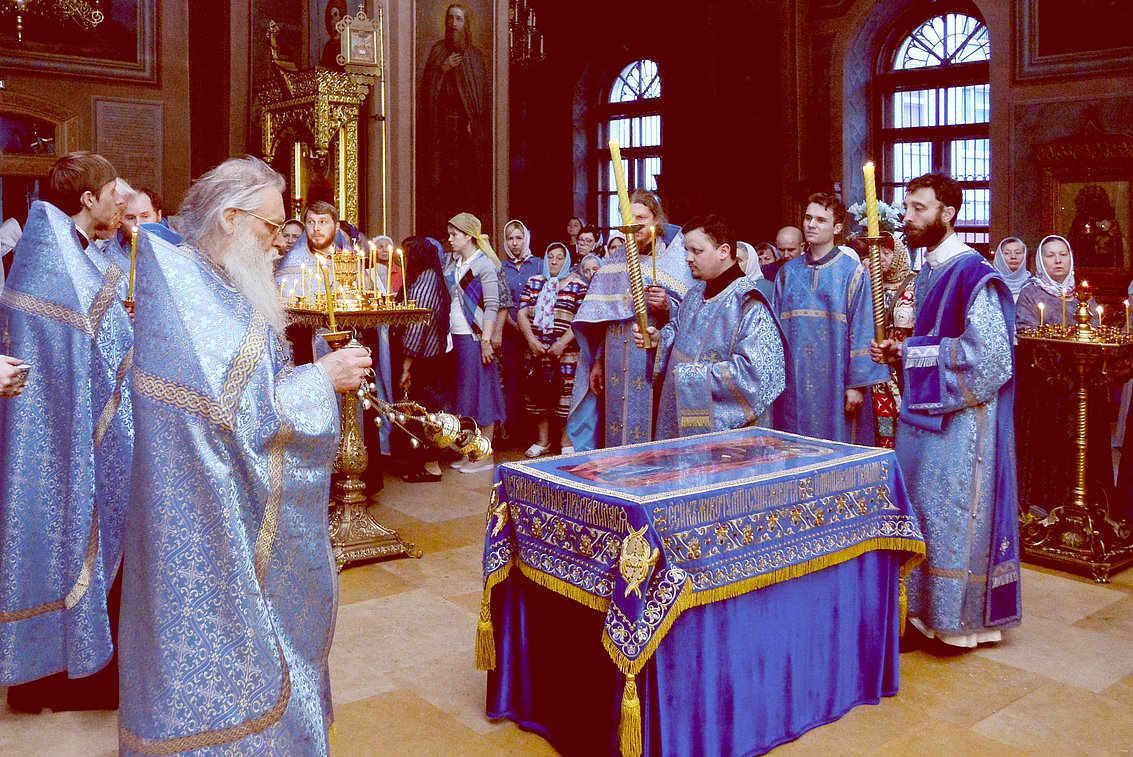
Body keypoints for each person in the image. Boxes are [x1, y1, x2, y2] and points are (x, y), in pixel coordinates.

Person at [119, 156, 370, 753]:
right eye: (271, 226)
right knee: (224, 655)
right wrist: (322, 379)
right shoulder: (191, 293)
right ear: (231, 219)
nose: (281, 240)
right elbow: (242, 422)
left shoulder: (214, 281)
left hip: (211, 510)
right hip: (208, 524)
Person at [0, 152, 133, 712]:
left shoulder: (60, 246)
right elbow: (98, 340)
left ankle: (69, 671)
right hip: (54, 429)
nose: (120, 201)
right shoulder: (55, 259)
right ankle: (53, 678)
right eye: (113, 192)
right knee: (59, 530)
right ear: (87, 199)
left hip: (63, 416)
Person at [871, 172, 1020, 648]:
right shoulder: (929, 270)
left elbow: (991, 359)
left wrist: (912, 352)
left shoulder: (974, 274)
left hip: (962, 425)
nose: (908, 217)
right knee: (925, 512)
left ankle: (956, 624)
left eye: (919, 208)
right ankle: (923, 615)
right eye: (907, 207)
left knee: (952, 515)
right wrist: (900, 352)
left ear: (948, 213)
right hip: (926, 420)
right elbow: (929, 341)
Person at [637, 215, 786, 439]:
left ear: (723, 251)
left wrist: (694, 376)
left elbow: (757, 376)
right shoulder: (695, 293)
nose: (688, 258)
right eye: (686, 250)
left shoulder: (749, 304)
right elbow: (678, 329)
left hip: (727, 440)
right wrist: (660, 340)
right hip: (678, 418)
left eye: (696, 251)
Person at [568, 189, 694, 449]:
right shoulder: (617, 261)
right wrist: (598, 361)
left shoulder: (676, 260)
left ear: (655, 220)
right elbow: (603, 318)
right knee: (614, 425)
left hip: (652, 360)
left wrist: (667, 306)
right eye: (629, 218)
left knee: (651, 426)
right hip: (614, 361)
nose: (635, 224)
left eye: (641, 218)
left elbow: (692, 312)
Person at [773, 192, 886, 443]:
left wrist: (857, 385)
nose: (811, 224)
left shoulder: (852, 272)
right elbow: (775, 332)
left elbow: (863, 328)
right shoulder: (787, 273)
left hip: (836, 379)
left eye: (821, 220)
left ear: (837, 228)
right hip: (794, 379)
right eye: (808, 218)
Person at [419, 3, 490, 229]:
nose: (453, 24)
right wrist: (442, 69)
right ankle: (442, 224)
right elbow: (427, 91)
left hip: (466, 131)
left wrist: (473, 123)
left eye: (458, 19)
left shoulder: (474, 57)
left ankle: (467, 225)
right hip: (441, 128)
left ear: (465, 24)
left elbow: (480, 98)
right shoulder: (439, 51)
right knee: (444, 178)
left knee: (466, 178)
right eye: (450, 18)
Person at [445, 212, 505, 472]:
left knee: (483, 396)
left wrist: (486, 341)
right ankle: (470, 450)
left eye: (454, 235)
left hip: (476, 338)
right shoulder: (455, 262)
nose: (450, 239)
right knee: (466, 397)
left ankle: (484, 455)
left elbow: (492, 305)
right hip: (456, 338)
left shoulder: (484, 264)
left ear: (469, 236)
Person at [517, 242, 588, 456]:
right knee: (538, 395)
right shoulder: (534, 282)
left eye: (559, 257)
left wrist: (561, 344)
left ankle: (566, 441)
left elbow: (582, 319)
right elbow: (521, 313)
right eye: (550, 256)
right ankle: (542, 441)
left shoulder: (578, 285)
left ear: (567, 260)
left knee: (566, 396)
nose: (554, 261)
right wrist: (531, 341)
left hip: (567, 353)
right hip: (536, 351)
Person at [394, 236, 452, 482]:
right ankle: (419, 462)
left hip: (423, 360)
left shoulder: (426, 281)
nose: (404, 261)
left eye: (407, 256)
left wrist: (406, 367)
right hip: (428, 358)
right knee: (421, 412)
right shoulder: (428, 277)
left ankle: (431, 466)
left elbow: (416, 326)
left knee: (425, 412)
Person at [871, 234, 917, 448]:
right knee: (882, 423)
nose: (881, 258)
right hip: (878, 368)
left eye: (887, 253)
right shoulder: (870, 285)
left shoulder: (915, 285)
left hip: (906, 365)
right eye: (877, 253)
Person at [499, 219, 542, 445]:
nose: (515, 243)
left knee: (535, 380)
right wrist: (515, 326)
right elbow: (499, 302)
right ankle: (514, 432)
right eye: (510, 239)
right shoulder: (501, 268)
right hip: (510, 333)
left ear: (526, 238)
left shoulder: (538, 265)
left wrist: (528, 331)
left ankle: (536, 433)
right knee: (512, 381)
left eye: (519, 237)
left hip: (535, 333)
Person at [1015, 235, 1098, 329]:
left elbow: (1095, 329)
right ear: (1040, 261)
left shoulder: (1082, 293)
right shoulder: (1030, 294)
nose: (1058, 261)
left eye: (1063, 255)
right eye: (1050, 256)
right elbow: (1026, 331)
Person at [993, 237, 1031, 303]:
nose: (1013, 257)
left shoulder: (1033, 285)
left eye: (1018, 253)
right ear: (999, 257)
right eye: (1007, 253)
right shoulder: (991, 284)